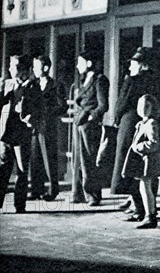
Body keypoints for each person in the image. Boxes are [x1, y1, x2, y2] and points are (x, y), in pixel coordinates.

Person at [112, 47, 160, 221]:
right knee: (145, 169)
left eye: (133, 63)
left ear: (142, 65)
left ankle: (138, 208)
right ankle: (145, 208)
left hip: (130, 123)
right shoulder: (157, 80)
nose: (130, 66)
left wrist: (116, 119)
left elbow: (121, 104)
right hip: (150, 125)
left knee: (129, 164)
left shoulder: (131, 80)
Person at [0, 54, 41, 212]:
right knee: (3, 169)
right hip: (5, 133)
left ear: (23, 69)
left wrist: (31, 117)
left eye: (14, 66)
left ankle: (19, 204)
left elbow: (39, 109)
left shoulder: (32, 86)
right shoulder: (6, 84)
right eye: (10, 65)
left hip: (21, 133)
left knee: (22, 170)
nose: (10, 68)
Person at [73, 49, 109, 206]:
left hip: (89, 126)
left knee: (90, 160)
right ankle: (79, 193)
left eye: (80, 62)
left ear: (89, 63)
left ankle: (93, 195)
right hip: (79, 123)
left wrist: (90, 117)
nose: (77, 66)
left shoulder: (99, 80)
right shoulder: (83, 80)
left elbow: (103, 105)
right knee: (79, 160)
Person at [29, 55, 68, 201]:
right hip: (34, 127)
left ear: (45, 68)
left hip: (48, 127)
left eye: (36, 67)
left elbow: (62, 107)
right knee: (35, 158)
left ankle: (53, 190)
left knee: (49, 159)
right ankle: (35, 190)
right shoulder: (33, 84)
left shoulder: (57, 85)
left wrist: (45, 111)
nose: (34, 70)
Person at [121, 94, 160, 229]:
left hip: (148, 161)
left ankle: (150, 215)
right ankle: (148, 213)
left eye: (147, 106)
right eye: (140, 106)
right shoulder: (141, 123)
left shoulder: (151, 123)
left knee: (146, 188)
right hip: (142, 160)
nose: (143, 109)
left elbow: (154, 143)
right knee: (143, 187)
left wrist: (138, 147)